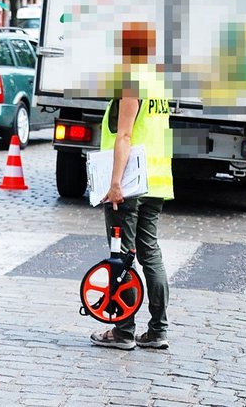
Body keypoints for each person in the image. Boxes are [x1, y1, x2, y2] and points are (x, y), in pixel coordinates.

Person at [90, 21, 173, 351]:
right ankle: (158, 330)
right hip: (156, 180)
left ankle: (123, 330)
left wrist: (114, 184)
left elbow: (124, 135)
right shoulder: (158, 82)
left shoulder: (131, 83)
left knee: (122, 256)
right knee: (150, 253)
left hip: (130, 182)